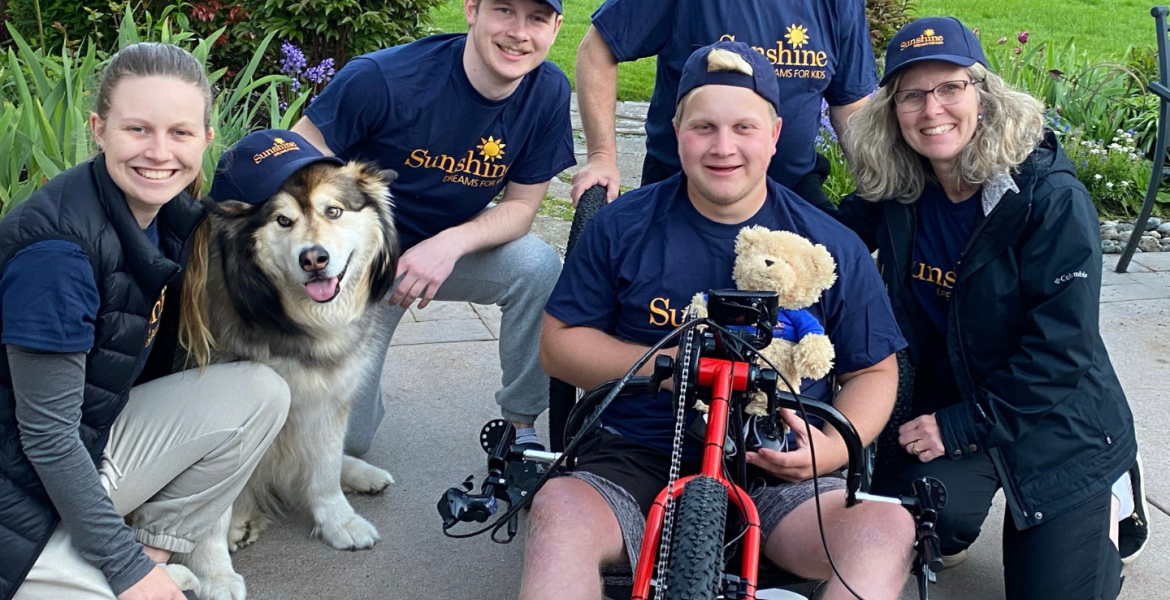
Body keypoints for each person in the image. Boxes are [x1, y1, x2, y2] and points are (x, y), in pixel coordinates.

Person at [523, 41, 914, 600]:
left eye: (744, 128)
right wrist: (676, 361)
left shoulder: (830, 245)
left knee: (887, 528)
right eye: (703, 127)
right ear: (676, 128)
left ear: (775, 133)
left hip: (776, 463)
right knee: (557, 509)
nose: (723, 147)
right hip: (636, 454)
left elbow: (876, 371)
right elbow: (558, 346)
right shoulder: (622, 227)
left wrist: (827, 452)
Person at [836, 17, 1142, 600]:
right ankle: (955, 522)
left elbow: (1062, 350)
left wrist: (960, 425)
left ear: (983, 92)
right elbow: (828, 242)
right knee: (907, 516)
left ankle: (1110, 497)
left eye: (950, 87)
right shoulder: (900, 182)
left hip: (1055, 419)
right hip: (950, 397)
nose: (932, 110)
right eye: (912, 95)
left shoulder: (1047, 197)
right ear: (890, 110)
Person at [0, 43, 291, 600]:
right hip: (20, 482)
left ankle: (148, 550)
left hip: (90, 442)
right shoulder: (56, 258)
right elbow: (47, 436)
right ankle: (100, 564)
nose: (160, 152)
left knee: (260, 392)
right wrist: (126, 575)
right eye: (137, 129)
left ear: (206, 141)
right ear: (98, 129)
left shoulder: (166, 218)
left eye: (180, 133)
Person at [291, 0, 575, 453]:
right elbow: (295, 160)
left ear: (556, 27)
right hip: (356, 265)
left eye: (537, 18)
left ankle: (522, 428)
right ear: (471, 10)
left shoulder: (547, 92)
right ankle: (330, 375)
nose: (519, 32)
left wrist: (450, 244)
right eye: (504, 10)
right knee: (349, 444)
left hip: (438, 256)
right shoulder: (383, 78)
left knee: (537, 266)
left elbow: (521, 207)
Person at [571, 0, 877, 211]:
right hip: (684, 187)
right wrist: (602, 156)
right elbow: (598, 49)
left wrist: (876, 187)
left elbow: (851, 104)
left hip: (790, 190)